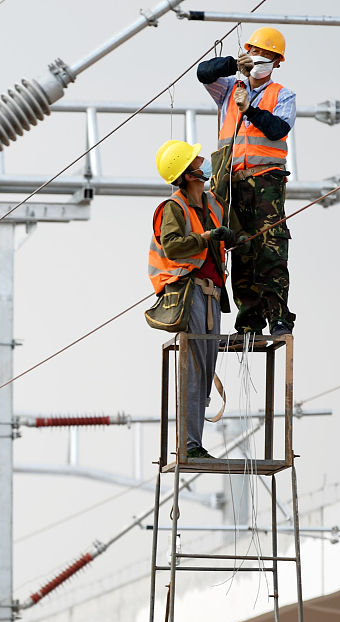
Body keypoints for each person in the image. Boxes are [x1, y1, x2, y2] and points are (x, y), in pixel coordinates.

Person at [196, 26, 296, 337]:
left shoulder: (281, 94)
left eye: (267, 55)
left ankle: (278, 317)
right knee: (241, 249)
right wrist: (231, 64)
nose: (261, 58)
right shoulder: (229, 88)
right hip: (232, 181)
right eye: (257, 51)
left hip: (266, 180)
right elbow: (203, 73)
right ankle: (249, 320)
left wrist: (249, 109)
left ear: (277, 62)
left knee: (270, 247)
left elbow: (278, 129)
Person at [148, 139, 234, 461]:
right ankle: (189, 445)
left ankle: (194, 442)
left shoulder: (210, 205)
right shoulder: (174, 207)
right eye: (196, 161)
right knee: (195, 368)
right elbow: (172, 246)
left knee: (207, 365)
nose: (202, 162)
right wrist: (207, 237)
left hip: (212, 294)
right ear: (187, 174)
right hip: (189, 290)